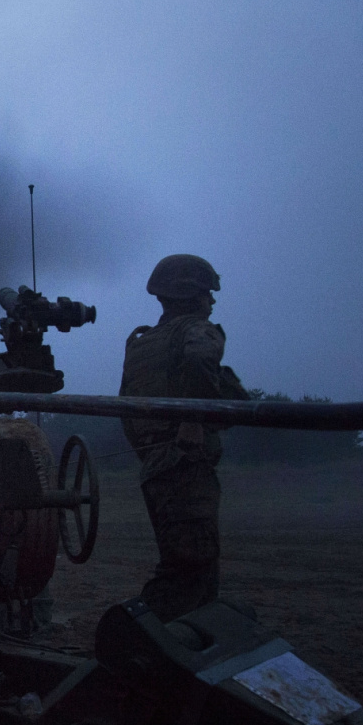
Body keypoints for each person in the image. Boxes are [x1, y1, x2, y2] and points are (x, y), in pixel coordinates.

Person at [119, 254, 248, 622]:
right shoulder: (197, 331)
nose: (212, 301)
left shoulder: (142, 343)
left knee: (198, 570)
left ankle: (191, 644)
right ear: (191, 295)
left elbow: (126, 407)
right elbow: (198, 358)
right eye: (208, 293)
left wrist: (153, 452)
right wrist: (192, 421)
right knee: (188, 571)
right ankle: (138, 638)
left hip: (157, 465)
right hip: (185, 463)